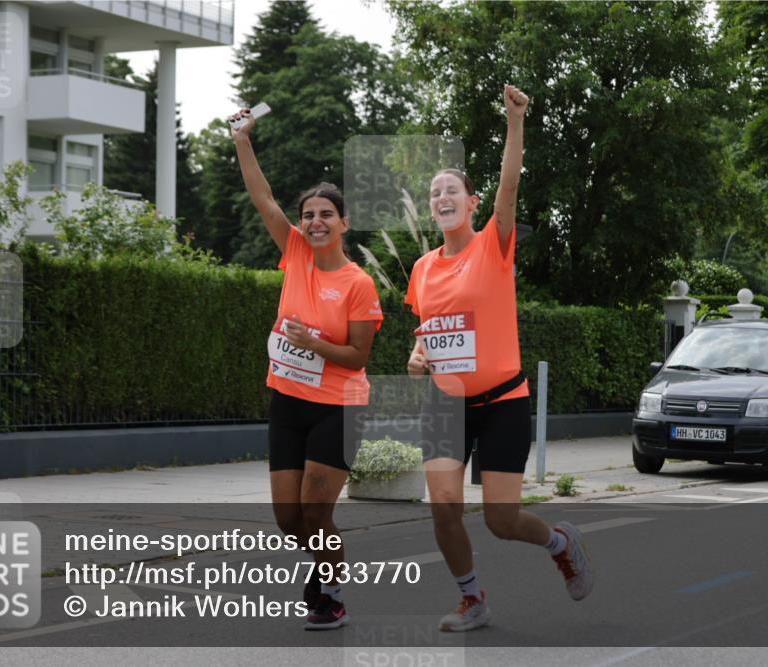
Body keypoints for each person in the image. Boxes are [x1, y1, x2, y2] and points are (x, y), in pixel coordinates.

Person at [405, 85, 593, 632]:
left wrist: (515, 122)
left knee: (501, 520)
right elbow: (428, 334)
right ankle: (473, 599)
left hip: (504, 399)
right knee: (443, 507)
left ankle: (561, 542)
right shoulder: (421, 268)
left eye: (451, 191)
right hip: (446, 402)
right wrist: (418, 355)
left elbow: (510, 185)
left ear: (471, 202)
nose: (441, 197)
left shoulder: (494, 243)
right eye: (434, 191)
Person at [230, 107, 383, 630]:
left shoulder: (359, 283)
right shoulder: (293, 252)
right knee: (288, 520)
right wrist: (242, 140)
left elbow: (358, 357)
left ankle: (332, 589)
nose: (316, 222)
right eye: (309, 214)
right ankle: (325, 563)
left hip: (340, 406)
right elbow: (262, 198)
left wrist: (313, 343)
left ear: (343, 223)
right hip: (288, 402)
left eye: (326, 215)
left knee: (317, 513)